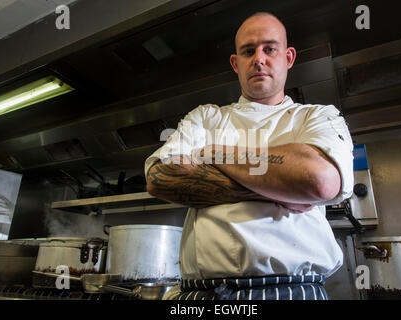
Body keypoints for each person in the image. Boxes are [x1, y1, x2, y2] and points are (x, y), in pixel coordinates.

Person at [144, 12, 354, 300]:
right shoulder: (206, 118)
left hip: (292, 290)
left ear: (288, 57)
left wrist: (212, 154)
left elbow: (317, 180)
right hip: (202, 295)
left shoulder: (317, 117)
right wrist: (282, 188)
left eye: (270, 49)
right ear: (235, 63)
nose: (259, 59)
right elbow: (160, 178)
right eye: (248, 51)